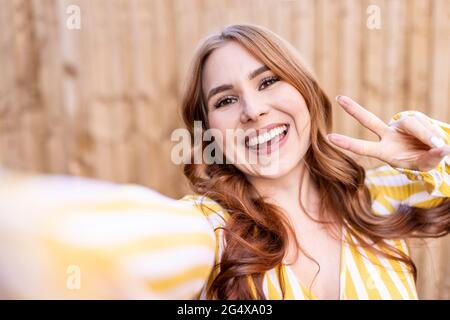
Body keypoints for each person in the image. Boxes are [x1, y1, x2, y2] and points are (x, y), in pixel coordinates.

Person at [0, 24, 449, 300]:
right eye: (226, 99)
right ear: (209, 131)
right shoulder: (210, 232)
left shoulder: (375, 199)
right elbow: (120, 243)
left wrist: (436, 153)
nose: (253, 110)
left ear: (306, 93)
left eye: (268, 81)